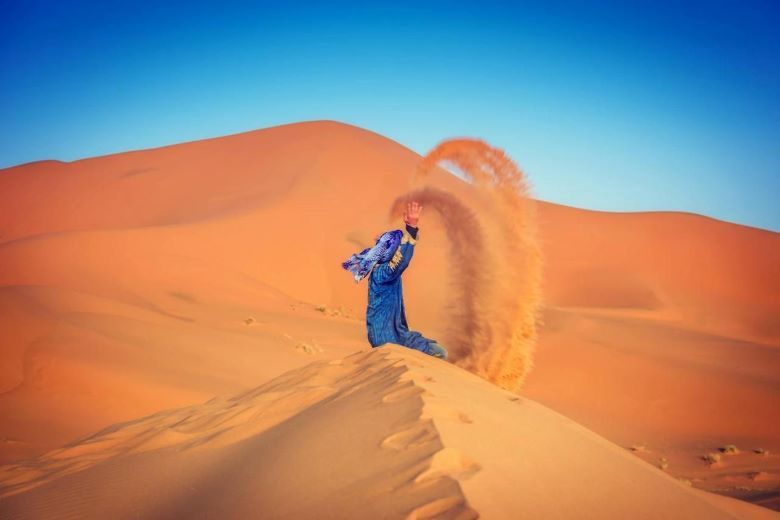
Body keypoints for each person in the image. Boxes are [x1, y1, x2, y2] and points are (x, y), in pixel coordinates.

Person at [341, 201, 448, 360]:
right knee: (439, 353)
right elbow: (401, 261)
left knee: (436, 351)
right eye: (395, 247)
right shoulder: (382, 273)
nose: (398, 248)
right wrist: (411, 228)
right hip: (388, 338)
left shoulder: (380, 269)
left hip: (395, 334)